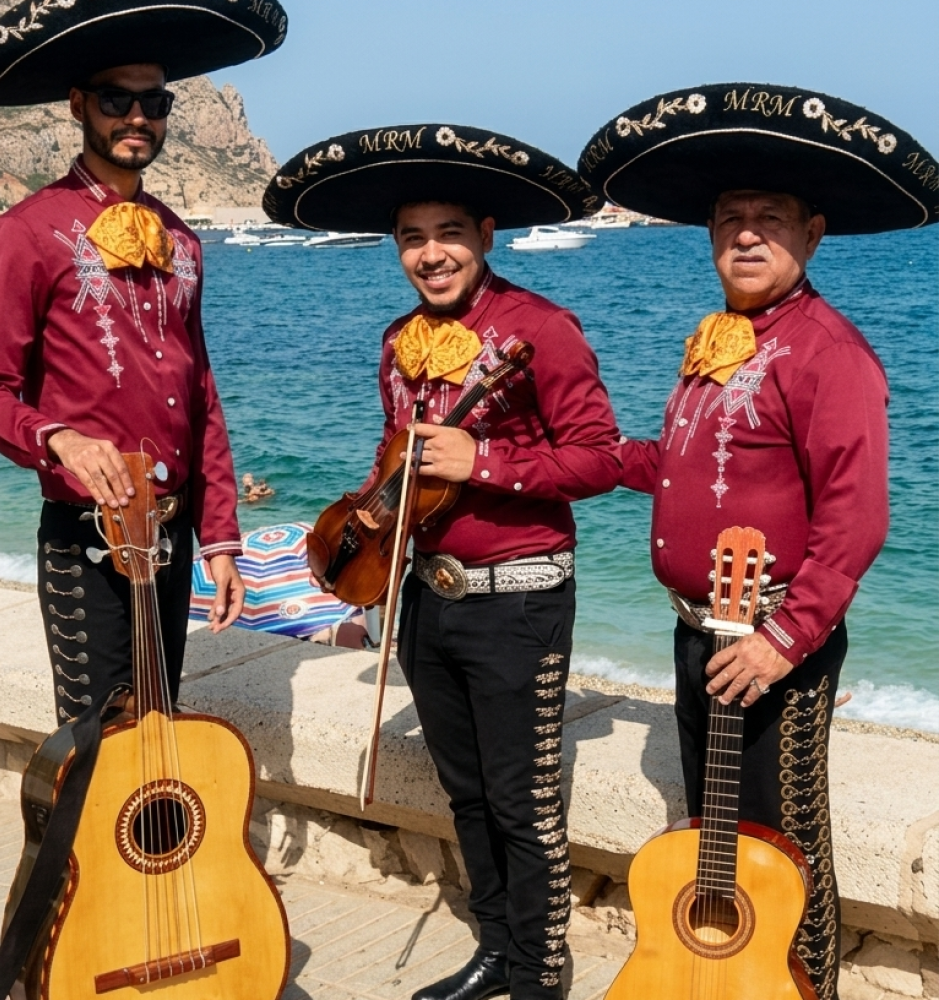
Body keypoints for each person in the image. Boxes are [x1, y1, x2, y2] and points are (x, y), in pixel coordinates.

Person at [579, 82, 937, 1000]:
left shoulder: (830, 351)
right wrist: (573, 458)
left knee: (788, 845)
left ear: (812, 234)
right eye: (729, 219)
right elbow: (685, 461)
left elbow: (856, 518)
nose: (745, 235)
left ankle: (806, 990)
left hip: (777, 644)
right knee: (718, 834)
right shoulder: (719, 339)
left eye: (769, 219)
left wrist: (785, 638)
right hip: (697, 629)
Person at [267, 124, 622, 1000]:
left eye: (449, 234)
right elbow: (396, 455)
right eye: (412, 238)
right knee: (463, 790)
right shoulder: (398, 340)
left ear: (486, 235)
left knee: (522, 800)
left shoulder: (543, 328)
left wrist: (484, 462)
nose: (431, 255)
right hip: (427, 596)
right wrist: (352, 536)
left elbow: (600, 459)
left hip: (519, 601)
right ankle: (497, 949)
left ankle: (541, 971)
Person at [0, 0, 288, 723]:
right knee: (96, 749)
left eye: (154, 102)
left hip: (171, 540)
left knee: (160, 729)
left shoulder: (183, 241)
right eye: (115, 100)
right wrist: (61, 440)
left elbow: (200, 399)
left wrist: (220, 538)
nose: (137, 117)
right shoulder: (27, 232)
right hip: (85, 539)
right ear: (78, 106)